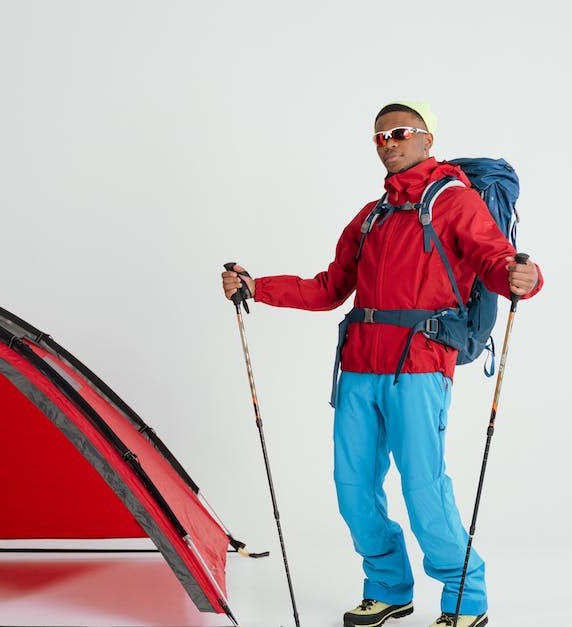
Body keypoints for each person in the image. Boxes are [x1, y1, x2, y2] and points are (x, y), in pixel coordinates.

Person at [221, 101, 542, 627]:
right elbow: (329, 288)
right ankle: (389, 588)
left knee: (423, 487)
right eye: (379, 137)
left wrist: (522, 277)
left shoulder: (455, 201)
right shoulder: (371, 215)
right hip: (359, 370)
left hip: (419, 366)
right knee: (353, 490)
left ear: (426, 140)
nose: (388, 142)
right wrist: (259, 288)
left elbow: (493, 258)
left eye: (399, 132)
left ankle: (464, 597)